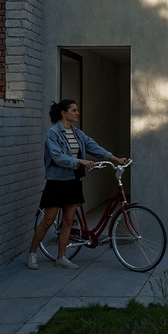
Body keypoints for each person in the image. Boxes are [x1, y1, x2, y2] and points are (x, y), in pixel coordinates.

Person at [26, 99, 127, 270]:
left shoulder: (78, 134)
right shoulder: (53, 134)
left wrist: (115, 158)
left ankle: (61, 257)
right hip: (57, 182)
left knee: (68, 221)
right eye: (73, 110)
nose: (77, 113)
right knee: (48, 221)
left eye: (77, 110)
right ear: (63, 113)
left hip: (73, 181)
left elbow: (94, 147)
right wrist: (80, 161)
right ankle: (32, 253)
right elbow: (58, 157)